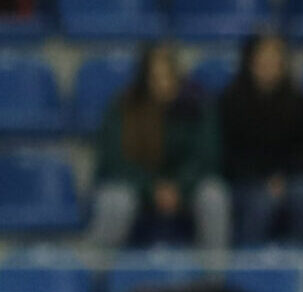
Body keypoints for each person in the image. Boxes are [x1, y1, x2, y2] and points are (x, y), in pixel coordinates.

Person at [93, 44, 229, 252]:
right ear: (144, 79)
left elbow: (207, 157)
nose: (163, 84)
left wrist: (179, 187)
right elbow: (114, 161)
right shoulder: (124, 107)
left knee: (214, 196)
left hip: (186, 188)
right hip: (136, 186)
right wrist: (152, 189)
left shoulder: (198, 105)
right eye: (155, 78)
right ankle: (97, 275)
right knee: (116, 201)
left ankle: (214, 277)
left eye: (168, 76)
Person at [219, 32, 303, 248]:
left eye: (274, 59)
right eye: (263, 59)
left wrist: (282, 178)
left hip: (289, 178)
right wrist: (263, 179)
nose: (268, 65)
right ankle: (247, 265)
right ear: (250, 62)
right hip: (247, 179)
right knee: (260, 200)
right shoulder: (232, 100)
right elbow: (230, 152)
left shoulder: (299, 101)